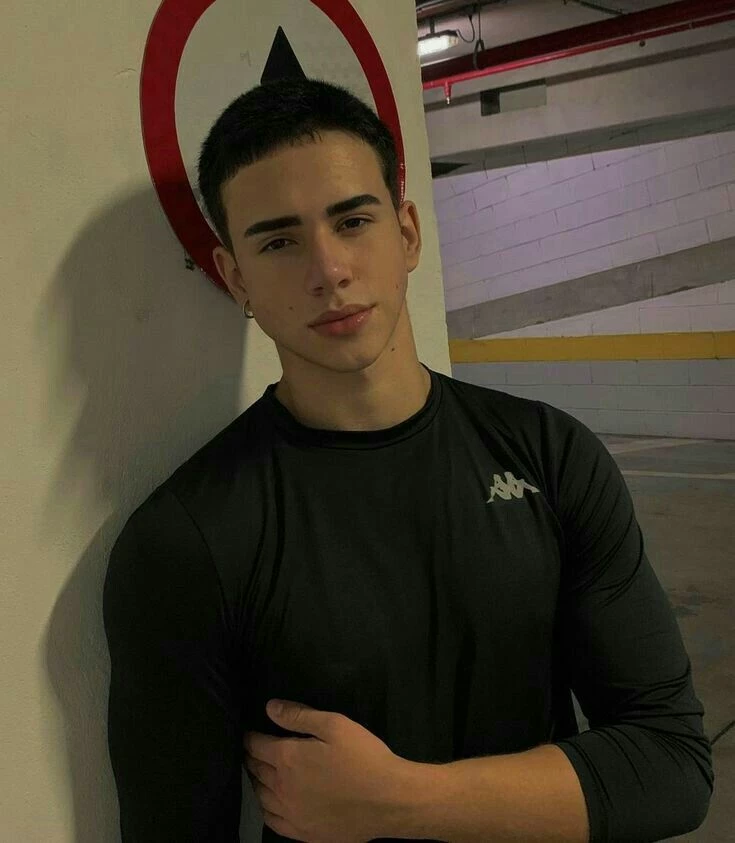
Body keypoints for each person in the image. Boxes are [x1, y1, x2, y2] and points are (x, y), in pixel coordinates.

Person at [103, 77, 714, 842]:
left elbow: (670, 765)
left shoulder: (550, 454)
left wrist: (400, 799)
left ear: (408, 234)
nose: (328, 270)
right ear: (236, 278)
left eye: (352, 220)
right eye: (279, 241)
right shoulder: (187, 540)